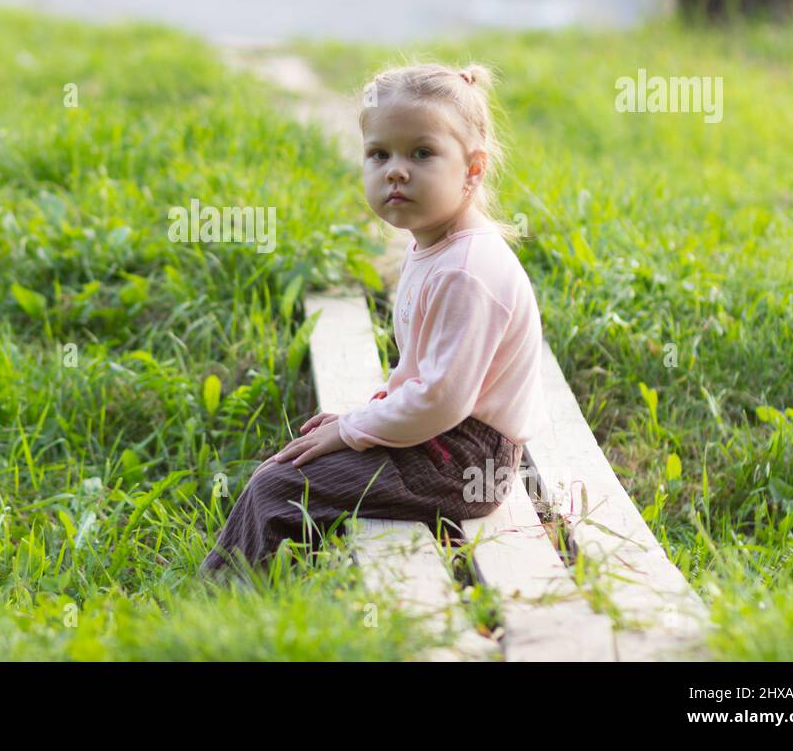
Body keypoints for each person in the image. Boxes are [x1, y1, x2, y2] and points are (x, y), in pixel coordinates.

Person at [198, 62, 545, 583]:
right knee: (302, 457)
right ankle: (290, 575)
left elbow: (440, 401)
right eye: (379, 154)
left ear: (473, 169)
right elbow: (425, 379)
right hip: (447, 440)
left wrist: (355, 430)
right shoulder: (434, 245)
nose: (396, 171)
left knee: (276, 485)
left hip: (465, 463)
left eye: (421, 153)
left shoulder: (468, 271)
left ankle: (217, 601)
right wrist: (364, 416)